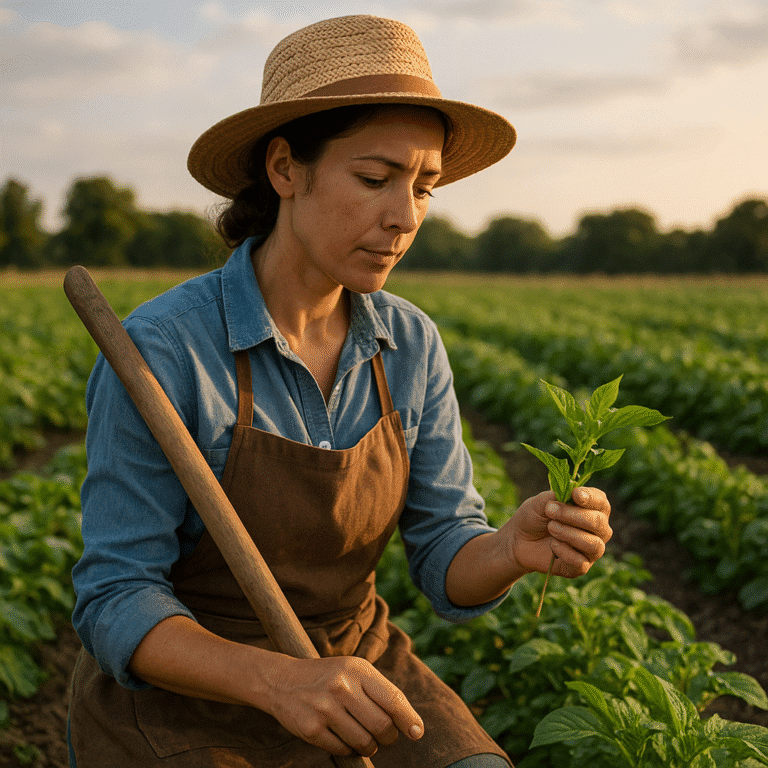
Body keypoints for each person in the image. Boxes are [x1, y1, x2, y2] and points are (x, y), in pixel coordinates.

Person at [67, 14, 612, 768]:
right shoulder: (165, 351)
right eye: (374, 178)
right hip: (187, 700)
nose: (404, 217)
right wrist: (279, 680)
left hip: (357, 669)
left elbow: (445, 552)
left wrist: (510, 548)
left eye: (425, 187)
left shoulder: (410, 345)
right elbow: (116, 595)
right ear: (286, 169)